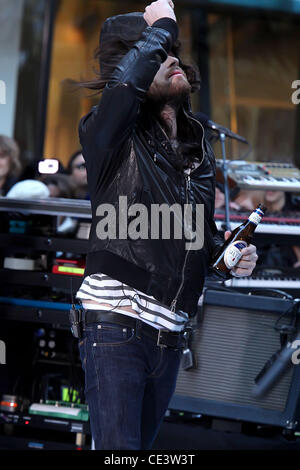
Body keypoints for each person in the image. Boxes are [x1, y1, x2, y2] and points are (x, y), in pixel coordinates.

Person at [75, 0, 258, 450]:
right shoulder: (107, 133)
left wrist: (225, 255)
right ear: (131, 67)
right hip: (117, 324)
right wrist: (161, 31)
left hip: (170, 333)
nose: (170, 56)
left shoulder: (196, 147)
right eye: (156, 52)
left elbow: (194, 232)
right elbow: (121, 94)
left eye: (173, 50)